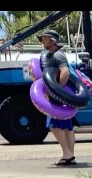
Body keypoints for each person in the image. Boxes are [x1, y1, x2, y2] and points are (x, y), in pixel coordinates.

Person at [38, 29, 76, 165]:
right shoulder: (52, 55)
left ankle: (67, 153)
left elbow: (64, 72)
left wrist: (56, 90)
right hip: (63, 96)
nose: (42, 41)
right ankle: (70, 156)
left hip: (58, 96)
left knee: (53, 125)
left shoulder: (57, 56)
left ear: (52, 40)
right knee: (67, 127)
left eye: (44, 38)